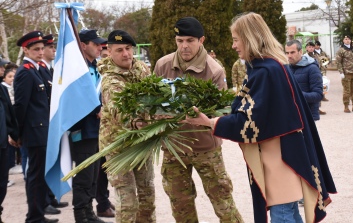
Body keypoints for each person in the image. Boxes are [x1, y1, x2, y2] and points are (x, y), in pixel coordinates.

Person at [184, 12, 336, 223]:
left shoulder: (266, 71)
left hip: (279, 159)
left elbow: (250, 122)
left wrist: (210, 122)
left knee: (282, 214)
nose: (233, 46)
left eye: (236, 40)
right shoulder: (273, 66)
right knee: (289, 212)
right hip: (285, 154)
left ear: (250, 38)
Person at [154, 17, 243, 223]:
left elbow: (222, 113)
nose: (184, 46)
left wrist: (200, 117)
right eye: (180, 40)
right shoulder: (163, 65)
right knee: (180, 204)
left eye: (190, 40)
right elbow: (154, 102)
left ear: (201, 40)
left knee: (223, 202)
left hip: (205, 148)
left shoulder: (214, 71)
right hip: (174, 148)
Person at [98, 30, 155, 223]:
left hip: (141, 142)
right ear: (110, 51)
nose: (126, 54)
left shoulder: (142, 69)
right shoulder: (109, 79)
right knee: (127, 200)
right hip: (118, 147)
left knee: (147, 195)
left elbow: (155, 95)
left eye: (129, 49)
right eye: (120, 50)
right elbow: (119, 110)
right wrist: (139, 120)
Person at [13, 31, 59, 223]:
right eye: (36, 49)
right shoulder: (25, 71)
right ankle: (34, 216)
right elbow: (21, 106)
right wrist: (17, 134)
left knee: (40, 175)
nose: (41, 52)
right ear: (26, 50)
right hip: (34, 131)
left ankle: (38, 213)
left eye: (42, 48)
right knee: (35, 176)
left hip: (42, 130)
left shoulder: (37, 69)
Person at [69, 29, 106, 223]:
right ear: (83, 45)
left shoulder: (94, 66)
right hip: (82, 129)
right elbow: (77, 96)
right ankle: (81, 215)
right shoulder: (77, 69)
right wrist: (96, 109)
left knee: (93, 174)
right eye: (96, 44)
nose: (100, 47)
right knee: (83, 175)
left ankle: (89, 212)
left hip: (96, 129)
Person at [37, 35, 69, 214]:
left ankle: (49, 198)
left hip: (48, 125)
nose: (51, 51)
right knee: (39, 168)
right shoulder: (35, 70)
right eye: (49, 48)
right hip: (38, 128)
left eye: (47, 48)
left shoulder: (47, 69)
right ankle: (43, 203)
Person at [95, 40, 115, 219]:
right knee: (98, 169)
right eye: (103, 56)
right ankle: (101, 202)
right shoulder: (95, 70)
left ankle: (104, 200)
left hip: (110, 126)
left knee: (105, 168)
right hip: (97, 124)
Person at [285, 40, 323, 121]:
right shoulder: (285, 68)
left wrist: (296, 94)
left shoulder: (312, 68)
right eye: (287, 53)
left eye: (292, 52)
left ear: (300, 51)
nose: (289, 56)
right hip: (289, 115)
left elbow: (318, 95)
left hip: (307, 116)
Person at [0, 60, 19, 223]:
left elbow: (8, 115)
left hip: (2, 144)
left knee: (2, 183)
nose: (1, 70)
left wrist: (15, 135)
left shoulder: (2, 89)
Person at [336, 35, 353, 113]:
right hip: (346, 73)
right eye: (346, 39)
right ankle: (346, 106)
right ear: (343, 40)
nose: (347, 40)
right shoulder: (341, 50)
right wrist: (341, 72)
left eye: (348, 39)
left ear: (351, 40)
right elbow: (338, 62)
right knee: (347, 91)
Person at [304, 41, 326, 115]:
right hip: (307, 76)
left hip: (317, 76)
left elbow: (321, 65)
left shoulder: (316, 56)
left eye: (312, 47)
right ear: (306, 48)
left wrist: (323, 73)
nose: (311, 48)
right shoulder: (304, 56)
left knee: (317, 91)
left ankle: (317, 108)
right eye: (309, 47)